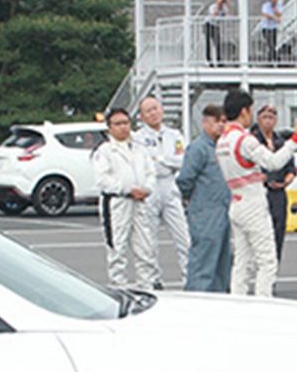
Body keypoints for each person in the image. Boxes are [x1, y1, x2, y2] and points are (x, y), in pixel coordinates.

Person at [216, 90, 297, 297]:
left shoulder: (222, 141)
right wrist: (296, 138)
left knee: (242, 262)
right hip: (253, 203)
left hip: (236, 200)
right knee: (267, 261)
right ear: (244, 111)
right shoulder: (244, 140)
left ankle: (238, 303)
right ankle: (264, 306)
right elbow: (273, 162)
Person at [93, 108, 158, 290]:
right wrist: (127, 189)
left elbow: (150, 172)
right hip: (117, 203)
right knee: (117, 249)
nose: (123, 127)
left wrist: (147, 189)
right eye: (118, 124)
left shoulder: (139, 148)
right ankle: (119, 288)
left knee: (145, 248)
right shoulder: (105, 151)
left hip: (140, 202)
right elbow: (103, 180)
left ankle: (147, 287)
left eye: (125, 123)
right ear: (109, 128)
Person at [133, 97, 191, 289]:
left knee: (183, 236)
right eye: (148, 111)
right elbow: (144, 164)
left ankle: (188, 277)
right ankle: (154, 279)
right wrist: (165, 160)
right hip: (149, 187)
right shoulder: (137, 138)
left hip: (169, 184)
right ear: (141, 116)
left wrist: (161, 158)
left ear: (162, 109)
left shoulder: (174, 135)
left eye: (155, 108)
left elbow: (182, 160)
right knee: (149, 238)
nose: (153, 113)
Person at [177, 105, 232, 292]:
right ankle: (196, 298)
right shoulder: (199, 148)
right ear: (205, 122)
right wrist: (191, 200)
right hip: (205, 211)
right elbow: (185, 179)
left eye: (224, 121)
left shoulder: (223, 147)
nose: (221, 126)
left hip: (224, 210)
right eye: (216, 122)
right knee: (203, 260)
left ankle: (219, 299)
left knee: (222, 261)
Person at [252, 105, 297, 261]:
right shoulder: (251, 141)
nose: (267, 121)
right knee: (259, 236)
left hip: (278, 193)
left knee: (278, 233)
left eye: (271, 117)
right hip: (258, 193)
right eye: (264, 117)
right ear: (258, 119)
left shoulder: (280, 142)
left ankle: (272, 268)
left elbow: (291, 168)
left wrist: (285, 182)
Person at [205, 0, 231, 65]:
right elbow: (214, 14)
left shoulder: (224, 7)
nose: (221, 2)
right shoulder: (212, 7)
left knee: (218, 43)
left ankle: (219, 60)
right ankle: (209, 60)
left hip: (216, 25)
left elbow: (228, 13)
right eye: (221, 0)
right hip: (209, 24)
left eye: (223, 0)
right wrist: (217, 5)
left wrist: (226, 3)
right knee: (208, 43)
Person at [260, 0, 282, 64]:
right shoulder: (265, 5)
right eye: (273, 0)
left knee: (273, 44)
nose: (274, 1)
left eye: (275, 0)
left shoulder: (278, 5)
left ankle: (270, 60)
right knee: (270, 44)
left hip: (273, 28)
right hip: (266, 27)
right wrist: (274, 17)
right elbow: (266, 14)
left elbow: (279, 15)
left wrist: (274, 10)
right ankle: (276, 58)